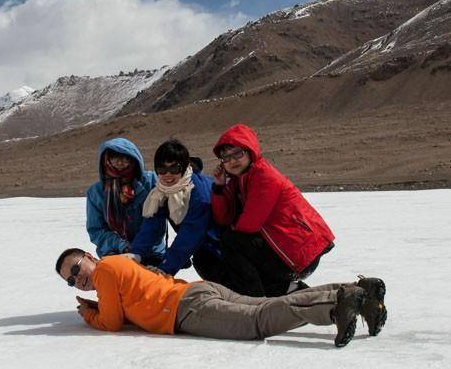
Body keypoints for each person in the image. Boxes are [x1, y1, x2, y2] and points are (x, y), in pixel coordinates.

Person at [54, 249, 387, 348]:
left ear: (88, 256)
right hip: (194, 292)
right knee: (264, 306)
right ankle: (359, 291)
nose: (77, 278)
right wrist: (99, 305)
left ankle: (336, 304)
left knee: (258, 321)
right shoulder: (117, 267)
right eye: (71, 281)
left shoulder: (105, 271)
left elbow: (111, 323)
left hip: (185, 308)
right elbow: (123, 308)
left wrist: (89, 315)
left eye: (76, 268)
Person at [210, 123, 336, 297]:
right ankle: (295, 295)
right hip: (285, 250)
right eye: (226, 158)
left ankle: (254, 304)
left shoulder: (264, 177)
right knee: (228, 248)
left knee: (232, 242)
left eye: (237, 154)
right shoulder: (238, 181)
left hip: (297, 252)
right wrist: (218, 188)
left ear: (250, 151)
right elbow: (223, 218)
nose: (232, 161)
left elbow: (249, 225)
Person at [128, 140, 226, 278]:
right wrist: (135, 254)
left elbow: (189, 237)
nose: (168, 174)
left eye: (174, 169)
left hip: (226, 248)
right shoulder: (161, 193)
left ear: (185, 167)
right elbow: (151, 225)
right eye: (162, 169)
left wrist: (165, 269)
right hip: (205, 248)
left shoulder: (198, 194)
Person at [85, 137, 165, 264]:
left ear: (133, 159)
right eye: (114, 157)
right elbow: (96, 230)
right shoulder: (97, 193)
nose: (120, 162)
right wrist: (122, 245)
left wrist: (139, 247)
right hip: (115, 255)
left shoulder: (150, 182)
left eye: (125, 158)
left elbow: (157, 220)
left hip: (152, 252)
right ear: (106, 159)